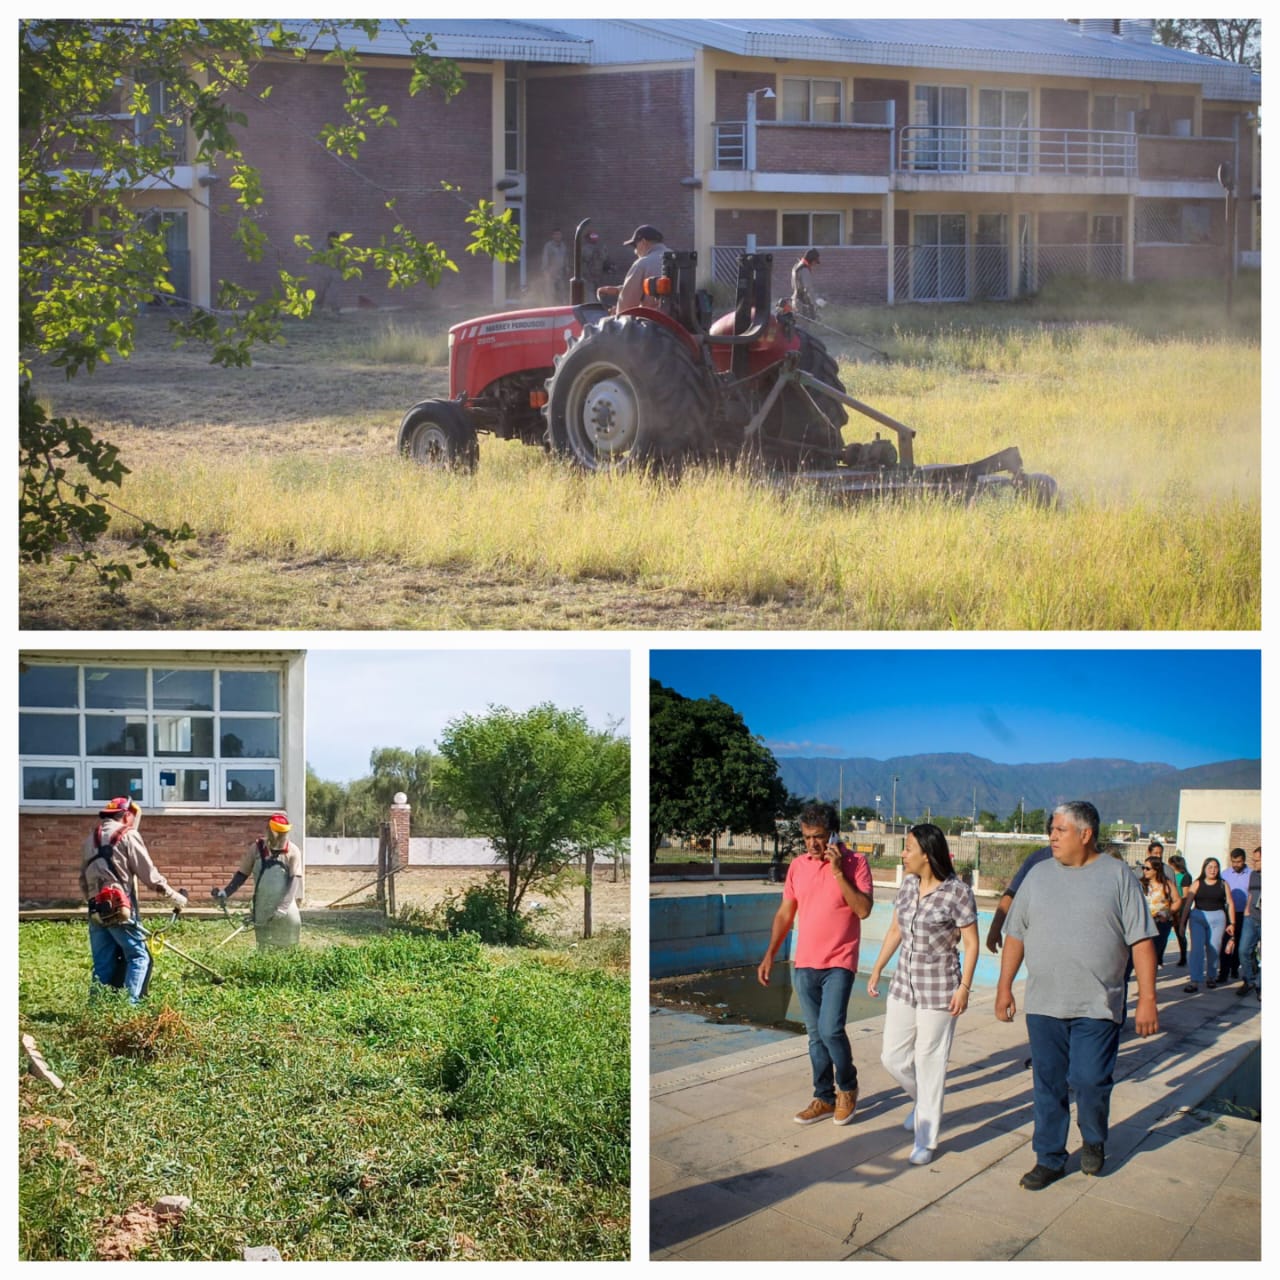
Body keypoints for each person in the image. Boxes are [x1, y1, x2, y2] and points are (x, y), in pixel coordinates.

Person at [995, 801, 1158, 1190]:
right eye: (1051, 829)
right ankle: (1049, 1157)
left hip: (1098, 1004)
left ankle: (1093, 1139)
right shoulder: (1037, 876)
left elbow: (1141, 940)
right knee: (1047, 1084)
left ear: (1085, 834)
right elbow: (1015, 935)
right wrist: (1004, 988)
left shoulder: (1119, 876)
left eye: (1060, 830)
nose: (1051, 835)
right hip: (1044, 1004)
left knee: (1089, 1080)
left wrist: (1148, 998)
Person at [867, 824, 979, 1165]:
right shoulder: (909, 884)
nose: (903, 853)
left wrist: (964, 988)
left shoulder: (956, 892)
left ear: (926, 855)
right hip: (903, 984)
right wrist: (876, 969)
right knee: (893, 1057)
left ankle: (926, 1139)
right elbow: (895, 929)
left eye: (908, 848)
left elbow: (972, 943)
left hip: (940, 989)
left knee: (930, 1062)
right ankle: (922, 1103)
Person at [757, 802, 874, 1126]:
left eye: (819, 836)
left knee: (830, 1029)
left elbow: (863, 910)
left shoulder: (856, 863)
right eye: (807, 837)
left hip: (840, 961)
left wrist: (838, 872)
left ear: (834, 834)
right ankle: (823, 1097)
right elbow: (785, 913)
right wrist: (770, 953)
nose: (812, 844)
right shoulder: (798, 866)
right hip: (804, 962)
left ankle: (847, 1087)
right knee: (814, 1035)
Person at [80, 798, 187, 1002]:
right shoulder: (128, 836)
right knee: (138, 956)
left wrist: (94, 902)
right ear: (127, 816)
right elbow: (149, 875)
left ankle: (94, 1009)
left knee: (103, 962)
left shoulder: (89, 840)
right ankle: (128, 1008)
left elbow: (82, 879)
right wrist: (174, 896)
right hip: (120, 908)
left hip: (95, 908)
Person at [212, 812, 304, 949]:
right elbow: (242, 874)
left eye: (283, 834)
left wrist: (283, 907)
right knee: (264, 945)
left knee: (289, 941)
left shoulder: (293, 851)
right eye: (277, 833)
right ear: (270, 831)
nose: (280, 837)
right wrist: (226, 893)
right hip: (263, 905)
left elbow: (294, 880)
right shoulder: (256, 849)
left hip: (285, 906)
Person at [985, 818, 1055, 953]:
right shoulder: (1038, 860)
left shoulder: (1099, 871)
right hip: (1040, 943)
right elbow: (1011, 893)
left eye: (1061, 831)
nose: (1055, 837)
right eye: (1051, 831)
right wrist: (995, 928)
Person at [1181, 856, 1236, 993]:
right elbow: (1188, 904)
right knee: (1197, 950)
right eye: (1210, 867)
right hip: (1198, 917)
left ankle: (1211, 977)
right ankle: (1195, 980)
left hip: (1217, 919)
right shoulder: (1197, 883)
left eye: (1215, 867)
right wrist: (1182, 923)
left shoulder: (1223, 884)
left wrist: (1232, 923)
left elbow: (1230, 904)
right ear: (1204, 868)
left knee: (1214, 949)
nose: (1213, 870)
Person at [603, 225, 667, 313]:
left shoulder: (642, 263)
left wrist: (616, 313)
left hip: (654, 323)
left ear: (643, 242)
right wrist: (619, 289)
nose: (635, 251)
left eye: (635, 246)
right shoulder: (677, 259)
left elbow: (625, 308)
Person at [1140, 855, 1182, 965]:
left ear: (1156, 870)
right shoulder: (1140, 884)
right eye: (1143, 868)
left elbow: (1177, 901)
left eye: (1148, 868)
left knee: (1155, 952)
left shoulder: (1167, 884)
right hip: (1144, 922)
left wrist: (1168, 913)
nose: (1145, 871)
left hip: (1161, 923)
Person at [1219, 848, 1251, 983]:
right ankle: (1223, 973)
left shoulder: (1252, 874)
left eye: (1239, 862)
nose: (1236, 864)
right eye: (1234, 862)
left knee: (1240, 943)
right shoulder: (1225, 874)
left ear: (1244, 860)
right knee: (1226, 942)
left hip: (1244, 914)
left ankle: (1234, 969)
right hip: (1228, 913)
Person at [1237, 846, 1261, 1000]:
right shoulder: (1254, 874)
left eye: (1257, 860)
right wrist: (1246, 909)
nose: (1254, 862)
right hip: (1251, 917)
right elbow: (1251, 893)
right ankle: (1250, 980)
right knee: (1244, 950)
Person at [1167, 853, 1193, 965]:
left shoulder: (1185, 876)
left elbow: (1185, 895)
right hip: (1169, 905)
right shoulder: (1168, 875)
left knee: (1180, 932)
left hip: (1181, 908)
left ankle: (1183, 957)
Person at [541, 228, 567, 303]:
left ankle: (561, 308)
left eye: (559, 234)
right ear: (553, 236)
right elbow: (545, 258)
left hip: (561, 273)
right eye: (556, 234)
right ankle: (549, 308)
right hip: (551, 274)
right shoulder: (548, 246)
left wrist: (567, 267)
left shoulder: (563, 245)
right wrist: (546, 272)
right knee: (550, 293)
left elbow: (565, 258)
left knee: (562, 293)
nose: (558, 236)